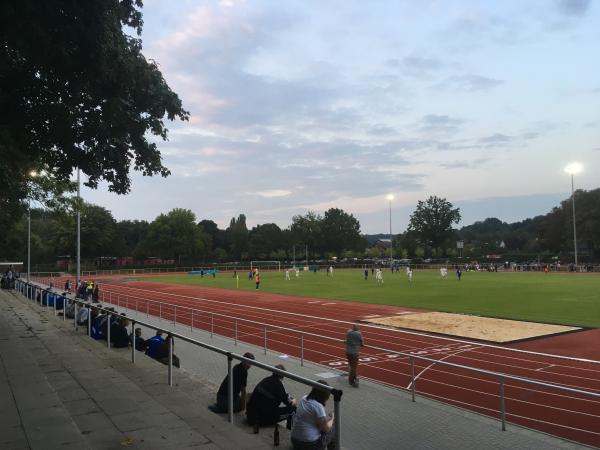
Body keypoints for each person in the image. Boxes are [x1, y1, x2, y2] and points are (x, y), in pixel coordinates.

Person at [290, 380, 335, 450]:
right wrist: (333, 418)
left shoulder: (303, 398)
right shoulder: (318, 406)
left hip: (295, 440)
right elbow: (326, 429)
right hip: (309, 445)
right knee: (333, 428)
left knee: (324, 424)